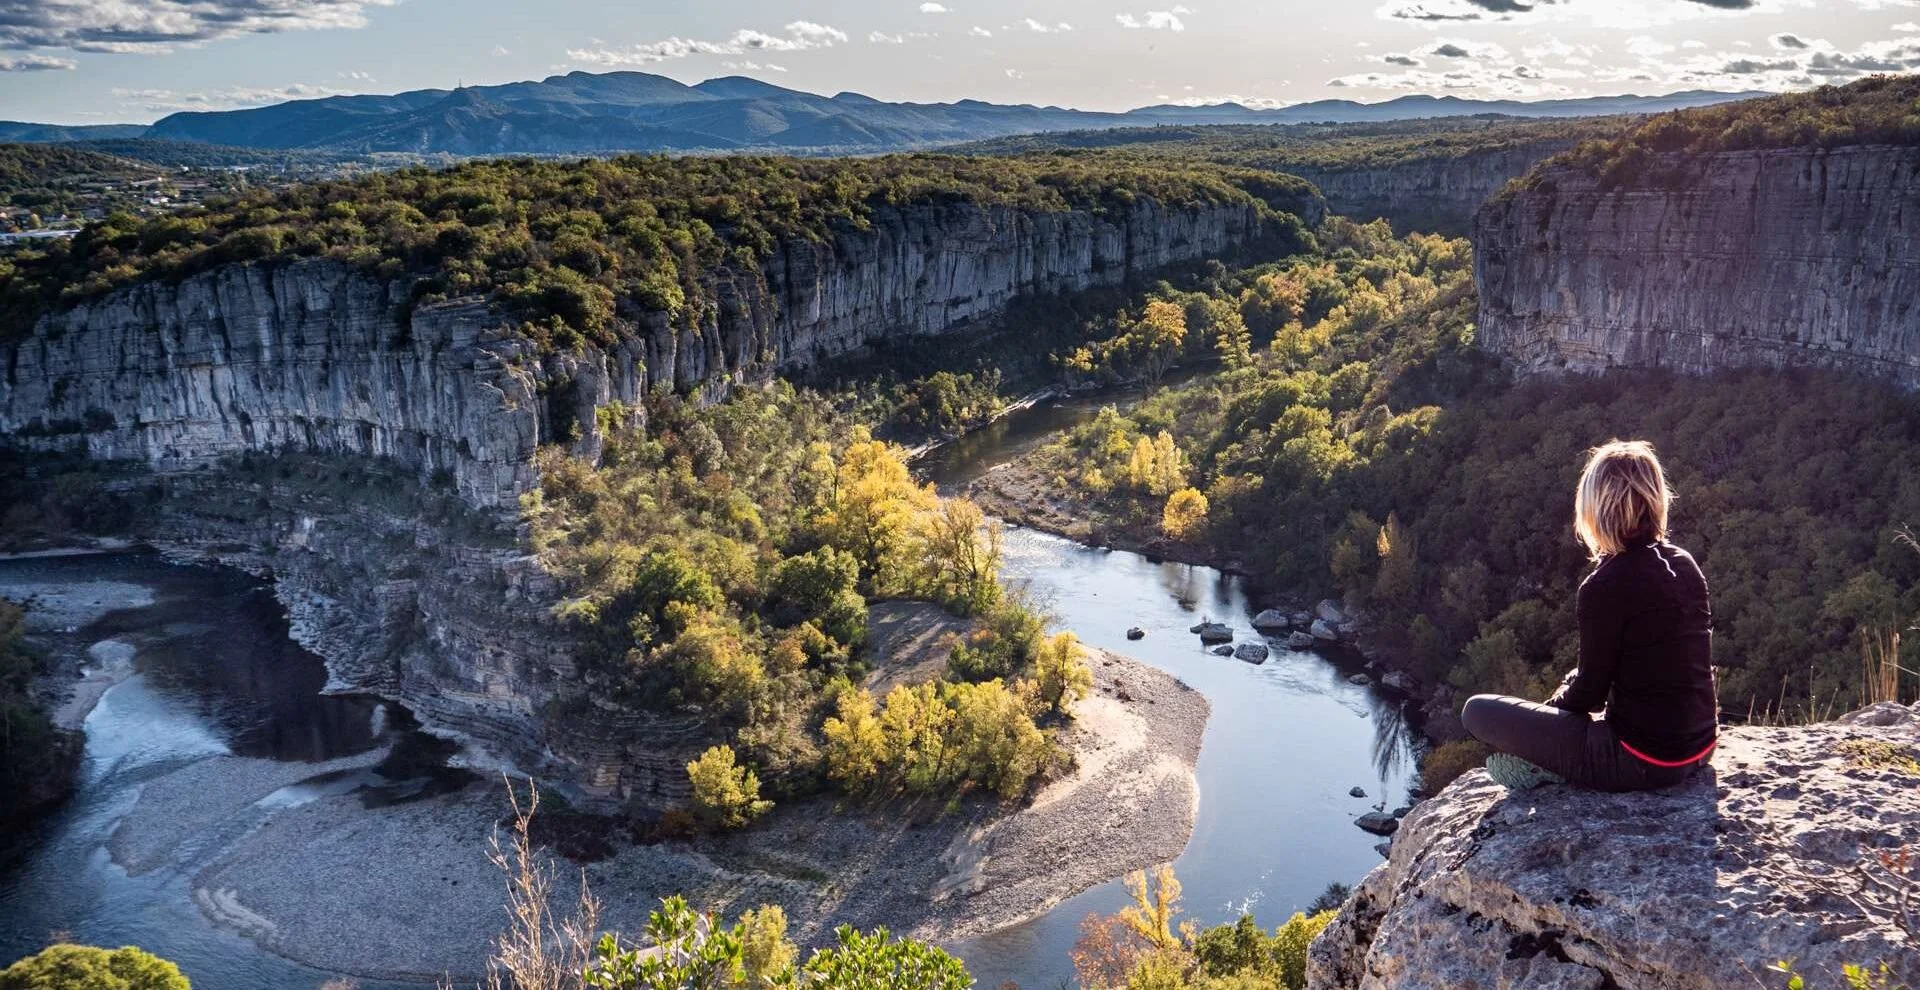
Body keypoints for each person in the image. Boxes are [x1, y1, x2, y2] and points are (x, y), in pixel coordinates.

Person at [1460, 439, 1718, 791]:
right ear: (1656, 500)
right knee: (1574, 676)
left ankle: (1546, 767)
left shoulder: (1604, 586)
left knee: (1477, 712)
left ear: (1594, 509)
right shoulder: (1685, 564)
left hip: (1640, 763)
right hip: (1701, 749)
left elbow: (1589, 696)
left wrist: (1550, 716)